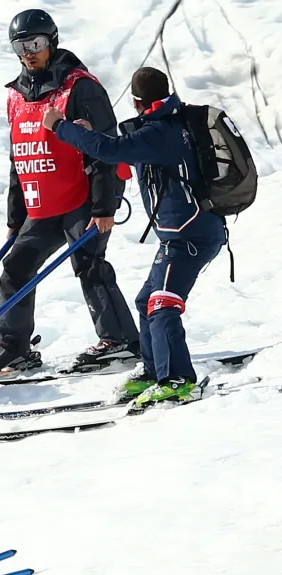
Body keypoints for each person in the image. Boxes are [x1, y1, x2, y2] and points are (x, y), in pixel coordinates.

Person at [0, 9, 140, 381]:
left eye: (36, 43)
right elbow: (19, 158)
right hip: (43, 203)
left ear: (52, 41)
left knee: (90, 265)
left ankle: (120, 340)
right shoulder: (15, 96)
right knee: (15, 268)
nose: (28, 52)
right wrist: (16, 219)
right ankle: (13, 346)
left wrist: (105, 205)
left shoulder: (80, 87)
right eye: (21, 45)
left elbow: (104, 147)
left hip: (83, 199)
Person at [43, 67, 227, 406]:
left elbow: (111, 150)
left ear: (136, 100)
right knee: (147, 301)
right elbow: (118, 149)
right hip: (183, 236)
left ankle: (178, 381)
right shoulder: (171, 125)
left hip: (191, 237)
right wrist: (88, 133)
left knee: (162, 303)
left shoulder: (161, 131)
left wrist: (59, 126)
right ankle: (154, 370)